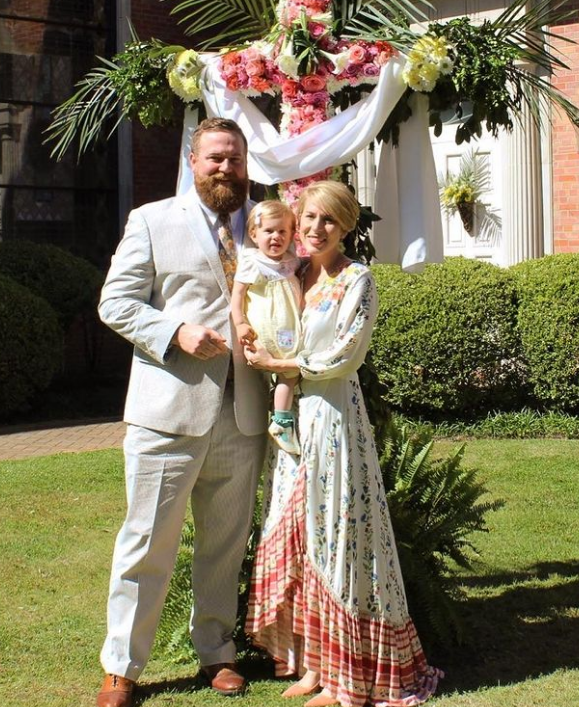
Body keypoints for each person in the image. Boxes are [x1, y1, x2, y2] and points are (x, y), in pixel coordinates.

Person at [243, 180, 442, 707]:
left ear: (347, 225)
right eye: (308, 217)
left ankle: (345, 675)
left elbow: (344, 358)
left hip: (333, 418)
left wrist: (279, 365)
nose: (314, 229)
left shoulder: (359, 280)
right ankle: (311, 661)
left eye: (328, 220)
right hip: (294, 422)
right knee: (300, 533)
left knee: (336, 537)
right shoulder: (294, 272)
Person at [95, 117, 269, 707]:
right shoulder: (152, 221)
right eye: (216, 158)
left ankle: (216, 653)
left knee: (225, 543)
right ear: (193, 162)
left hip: (243, 414)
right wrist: (173, 331)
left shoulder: (268, 224)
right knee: (147, 541)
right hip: (168, 411)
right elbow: (115, 303)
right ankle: (122, 666)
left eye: (236, 159)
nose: (226, 168)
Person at [231, 200, 302, 455]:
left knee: (289, 373)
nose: (276, 237)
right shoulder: (253, 261)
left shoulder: (291, 260)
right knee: (288, 372)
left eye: (282, 232)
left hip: (288, 327)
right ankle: (282, 420)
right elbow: (237, 296)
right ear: (254, 234)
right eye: (269, 231)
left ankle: (282, 416)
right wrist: (240, 323)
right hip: (269, 328)